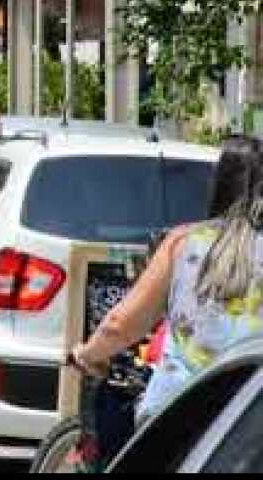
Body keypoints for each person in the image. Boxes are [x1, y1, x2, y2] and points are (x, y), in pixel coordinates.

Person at [71, 134, 263, 423]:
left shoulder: (185, 242)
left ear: (219, 184)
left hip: (176, 415)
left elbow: (121, 324)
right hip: (249, 422)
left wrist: (88, 354)